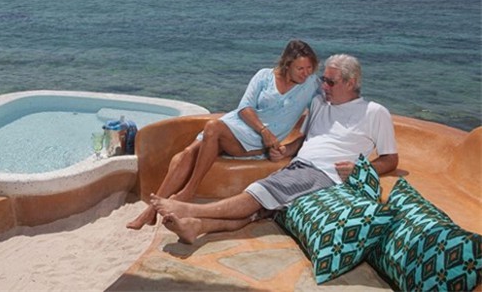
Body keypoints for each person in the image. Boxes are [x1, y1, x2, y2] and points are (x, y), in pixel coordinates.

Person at [151, 54, 399, 244]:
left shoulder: (374, 112)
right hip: (300, 166)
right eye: (323, 80)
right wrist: (286, 150)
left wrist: (361, 168)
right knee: (257, 212)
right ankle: (196, 226)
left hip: (324, 174)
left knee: (257, 192)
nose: (323, 85)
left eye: (330, 81)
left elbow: (390, 159)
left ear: (351, 82)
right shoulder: (320, 103)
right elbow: (305, 140)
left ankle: (189, 209)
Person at [127, 39, 320, 230]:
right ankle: (150, 212)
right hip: (239, 127)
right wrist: (264, 130)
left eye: (309, 68)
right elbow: (244, 108)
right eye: (300, 68)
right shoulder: (264, 76)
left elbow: (329, 103)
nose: (306, 73)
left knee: (213, 127)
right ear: (287, 65)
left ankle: (188, 191)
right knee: (185, 155)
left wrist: (286, 144)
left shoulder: (311, 84)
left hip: (255, 143)